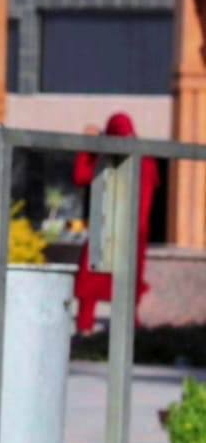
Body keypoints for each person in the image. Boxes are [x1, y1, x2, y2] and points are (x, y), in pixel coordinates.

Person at [72, 112, 159, 333]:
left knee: (92, 281)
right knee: (125, 282)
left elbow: (81, 176)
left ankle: (85, 328)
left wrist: (88, 146)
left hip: (110, 228)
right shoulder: (145, 159)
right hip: (134, 231)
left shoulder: (109, 158)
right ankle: (129, 330)